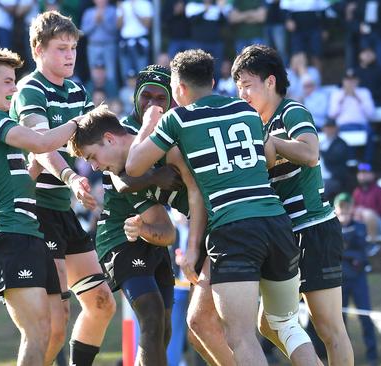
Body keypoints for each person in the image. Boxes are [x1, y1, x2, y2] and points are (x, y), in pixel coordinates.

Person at [126, 49, 317, 365]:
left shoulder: (177, 118)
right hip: (276, 222)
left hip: (234, 230)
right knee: (285, 326)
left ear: (179, 88)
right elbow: (268, 158)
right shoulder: (245, 109)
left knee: (241, 336)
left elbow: (133, 166)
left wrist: (148, 122)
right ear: (212, 81)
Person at [232, 44, 353, 365]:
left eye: (247, 84)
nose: (241, 92)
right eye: (238, 86)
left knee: (330, 329)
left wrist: (272, 144)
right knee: (268, 323)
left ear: (270, 82)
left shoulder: (292, 111)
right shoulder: (256, 124)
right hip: (282, 236)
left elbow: (311, 153)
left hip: (313, 228)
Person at [0, 48, 85, 365]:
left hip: (29, 233)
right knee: (37, 331)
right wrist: (79, 121)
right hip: (10, 235)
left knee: (53, 330)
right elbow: (43, 142)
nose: (14, 89)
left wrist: (36, 168)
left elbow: (20, 179)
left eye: (14, 81)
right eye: (6, 81)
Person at [9, 11, 116, 366]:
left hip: (62, 210)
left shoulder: (76, 89)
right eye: (60, 48)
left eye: (73, 47)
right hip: (36, 212)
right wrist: (72, 178)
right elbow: (42, 145)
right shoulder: (30, 89)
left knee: (102, 302)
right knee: (55, 324)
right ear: (38, 50)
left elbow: (98, 140)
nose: (70, 55)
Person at [68, 104, 200, 365]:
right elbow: (124, 183)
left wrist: (145, 229)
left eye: (93, 157)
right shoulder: (121, 171)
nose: (94, 168)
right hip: (118, 239)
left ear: (109, 139)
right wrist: (153, 180)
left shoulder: (147, 143)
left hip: (149, 238)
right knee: (151, 315)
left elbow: (167, 232)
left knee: (163, 330)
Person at [334, 193, 378, 366]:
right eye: (341, 207)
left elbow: (362, 253)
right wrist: (349, 254)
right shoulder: (331, 227)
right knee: (340, 322)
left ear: (352, 208)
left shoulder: (360, 226)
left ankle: (372, 356)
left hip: (358, 279)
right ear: (336, 208)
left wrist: (347, 253)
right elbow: (334, 252)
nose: (344, 210)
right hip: (338, 281)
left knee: (366, 318)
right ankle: (345, 357)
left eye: (347, 207)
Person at [352, 163, 381, 241]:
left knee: (368, 214)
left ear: (372, 175)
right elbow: (352, 209)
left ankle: (372, 246)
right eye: (360, 173)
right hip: (363, 223)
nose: (362, 176)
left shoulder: (379, 190)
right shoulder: (356, 192)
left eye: (365, 173)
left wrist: (364, 211)